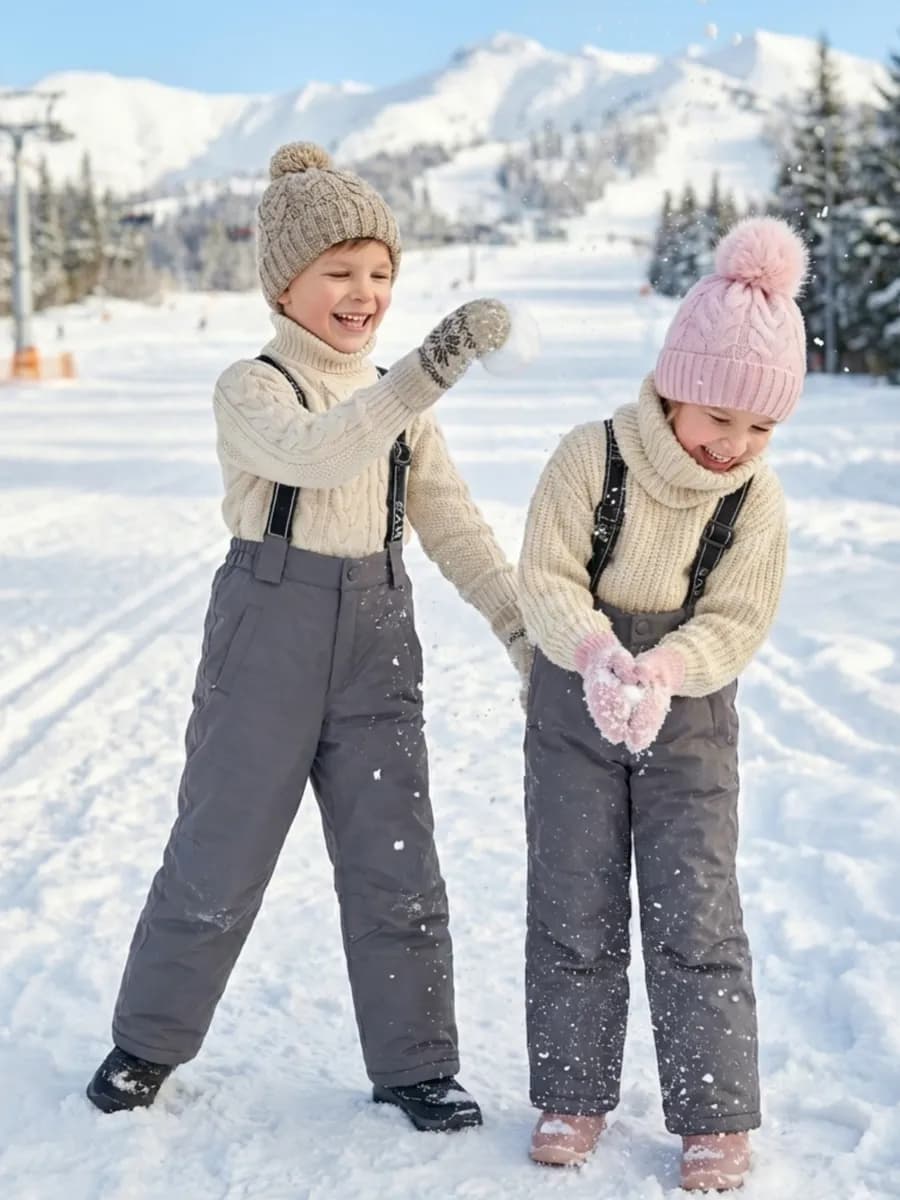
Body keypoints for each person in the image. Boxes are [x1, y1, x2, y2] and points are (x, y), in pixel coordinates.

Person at [86, 142, 532, 1132]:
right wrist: (427, 373)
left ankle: (418, 1066)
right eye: (339, 270)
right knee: (220, 848)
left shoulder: (397, 400)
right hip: (268, 632)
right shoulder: (254, 388)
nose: (363, 292)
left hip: (377, 633)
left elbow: (453, 522)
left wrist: (518, 630)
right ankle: (148, 1043)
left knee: (397, 859)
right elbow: (317, 454)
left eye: (379, 273)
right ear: (285, 282)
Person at [518, 216, 807, 1190]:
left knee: (695, 903)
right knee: (574, 896)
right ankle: (573, 1090)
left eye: (761, 427)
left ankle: (714, 1110)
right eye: (721, 418)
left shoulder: (753, 501)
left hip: (690, 711)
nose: (736, 445)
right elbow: (546, 577)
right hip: (577, 694)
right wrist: (598, 653)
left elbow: (740, 617)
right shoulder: (589, 459)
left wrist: (669, 669)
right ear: (675, 384)